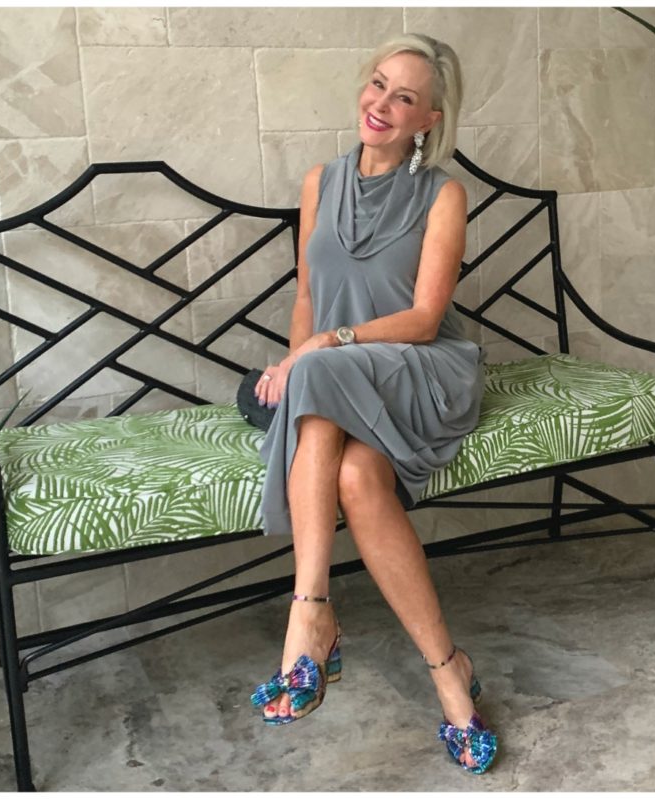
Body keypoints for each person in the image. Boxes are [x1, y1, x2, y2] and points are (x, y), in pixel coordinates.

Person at [247, 33, 497, 774]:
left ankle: (310, 618)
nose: (382, 104)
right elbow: (304, 291)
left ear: (430, 119)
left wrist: (325, 346)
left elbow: (424, 318)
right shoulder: (320, 181)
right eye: (378, 85)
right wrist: (302, 352)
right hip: (337, 376)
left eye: (405, 97)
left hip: (419, 370)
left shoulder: (443, 193)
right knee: (356, 477)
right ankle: (450, 669)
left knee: (314, 378)